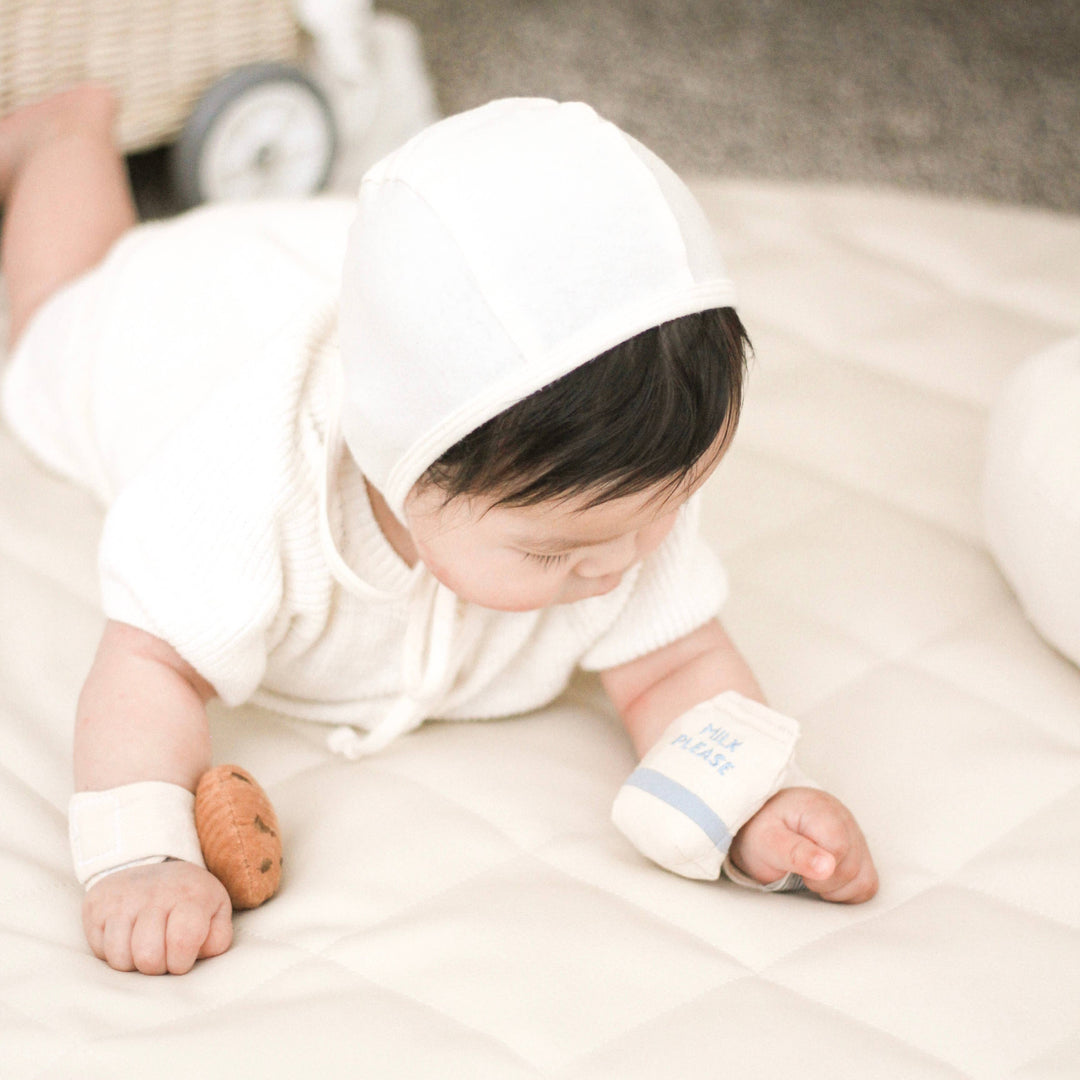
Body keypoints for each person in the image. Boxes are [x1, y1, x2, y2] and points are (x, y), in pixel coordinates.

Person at [0, 87, 878, 977]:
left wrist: (750, 803)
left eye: (667, 509)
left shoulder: (621, 495)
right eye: (553, 551)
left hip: (380, 299)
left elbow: (677, 665)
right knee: (57, 311)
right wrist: (142, 855)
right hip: (186, 327)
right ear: (401, 466)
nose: (620, 567)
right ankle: (63, 136)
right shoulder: (248, 485)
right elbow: (149, 663)